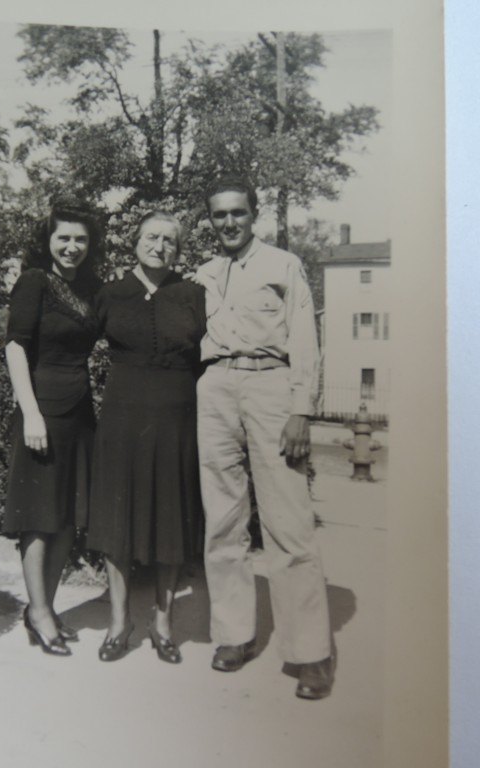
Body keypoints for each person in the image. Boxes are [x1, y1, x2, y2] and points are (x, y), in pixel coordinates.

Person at [193, 175, 334, 699]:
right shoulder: (202, 274)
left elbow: (305, 340)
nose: (228, 222)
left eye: (238, 213)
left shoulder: (283, 265)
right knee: (223, 520)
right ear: (210, 219)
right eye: (219, 214)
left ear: (254, 215)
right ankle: (234, 635)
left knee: (288, 523)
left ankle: (310, 652)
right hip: (215, 389)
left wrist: (302, 409)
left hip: (272, 387)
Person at [86, 211, 206, 664]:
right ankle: (120, 622)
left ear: (179, 249)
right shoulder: (111, 294)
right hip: (122, 419)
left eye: (170, 241)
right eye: (151, 238)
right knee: (118, 522)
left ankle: (162, 624)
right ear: (134, 242)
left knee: (170, 520)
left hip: (177, 421)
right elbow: (71, 344)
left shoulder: (192, 295)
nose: (160, 246)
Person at [2, 199, 103, 656]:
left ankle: (47, 607)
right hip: (40, 409)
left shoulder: (91, 289)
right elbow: (16, 348)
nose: (72, 246)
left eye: (81, 238)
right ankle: (38, 612)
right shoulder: (34, 283)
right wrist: (32, 413)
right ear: (48, 240)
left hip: (79, 412)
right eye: (63, 237)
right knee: (40, 518)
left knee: (66, 518)